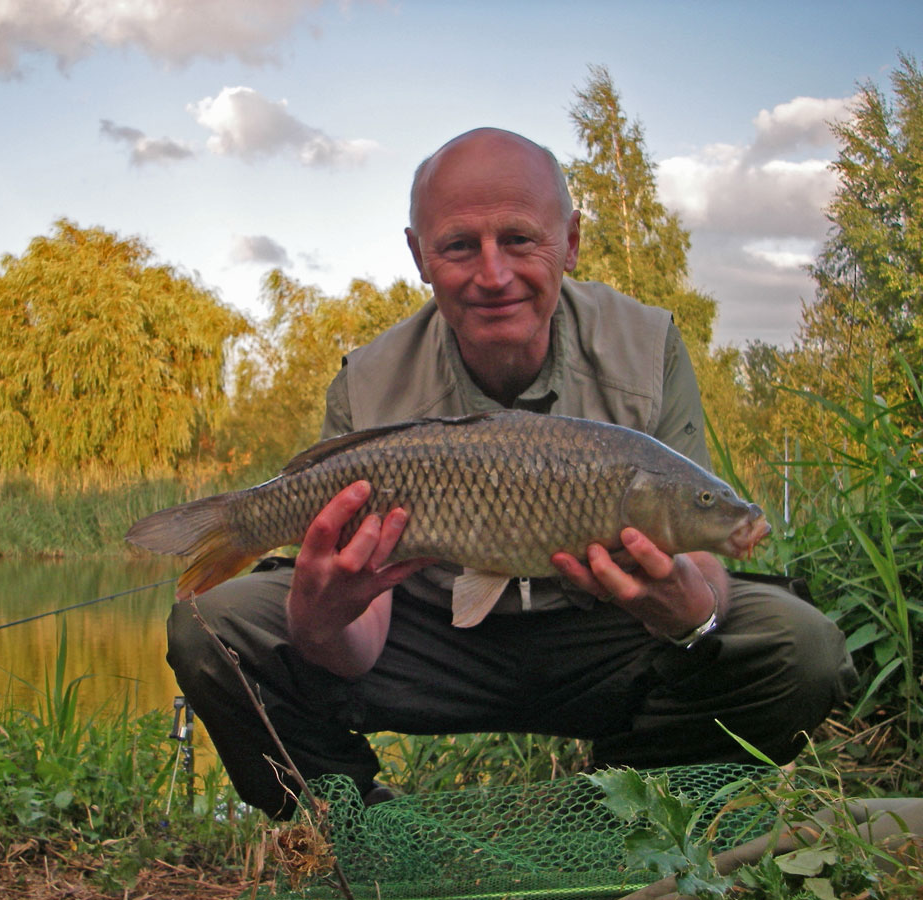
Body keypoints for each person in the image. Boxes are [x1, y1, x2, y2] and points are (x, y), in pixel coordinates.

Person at [166, 127, 856, 819]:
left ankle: (628, 810)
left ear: (572, 240)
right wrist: (322, 621)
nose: (493, 275)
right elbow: (358, 634)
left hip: (606, 635)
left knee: (801, 648)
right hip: (432, 637)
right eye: (460, 245)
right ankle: (356, 828)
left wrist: (688, 618)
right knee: (217, 624)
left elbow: (699, 565)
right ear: (420, 256)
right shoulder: (369, 381)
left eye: (521, 240)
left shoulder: (646, 347)